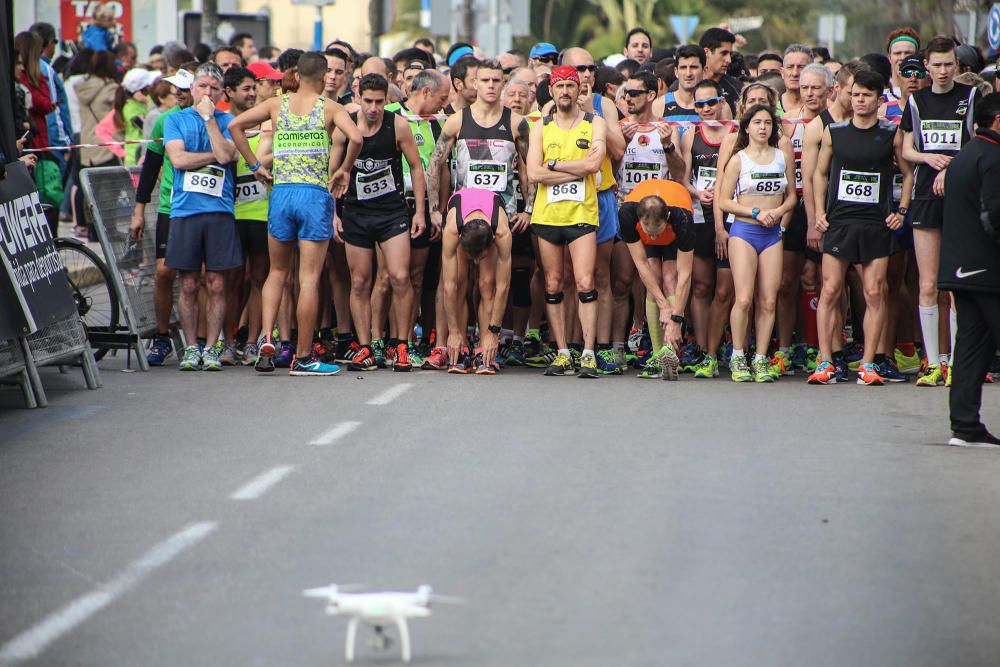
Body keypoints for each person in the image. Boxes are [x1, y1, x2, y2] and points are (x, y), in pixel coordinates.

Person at [229, 51, 363, 376]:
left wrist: (254, 165)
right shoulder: (330, 107)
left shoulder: (277, 104)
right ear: (321, 77)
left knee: (277, 273)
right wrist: (344, 169)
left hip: (282, 194)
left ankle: (266, 337)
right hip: (314, 195)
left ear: (297, 74)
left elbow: (235, 125)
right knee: (308, 279)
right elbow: (356, 137)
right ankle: (303, 357)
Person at [808, 70, 910, 385]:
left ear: (880, 99)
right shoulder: (834, 132)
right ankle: (825, 362)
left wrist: (902, 211)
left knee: (875, 292)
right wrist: (820, 213)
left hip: (874, 224)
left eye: (866, 95)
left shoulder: (891, 133)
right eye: (855, 95)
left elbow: (908, 174)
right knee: (830, 290)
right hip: (840, 222)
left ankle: (868, 364)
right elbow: (818, 174)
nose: (859, 100)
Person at [900, 36, 983, 387]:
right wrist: (927, 158)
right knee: (929, 282)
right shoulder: (916, 100)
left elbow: (979, 141)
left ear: (957, 65)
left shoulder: (971, 97)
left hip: (961, 196)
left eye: (949, 64)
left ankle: (957, 362)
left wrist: (951, 169)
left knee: (957, 282)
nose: (943, 71)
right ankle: (934, 363)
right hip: (925, 196)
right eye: (937, 65)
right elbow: (906, 147)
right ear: (927, 67)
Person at [331, 73, 426, 372]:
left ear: (387, 100)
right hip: (356, 212)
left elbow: (416, 167)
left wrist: (420, 211)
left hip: (392, 213)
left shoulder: (397, 125)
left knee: (400, 277)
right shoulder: (344, 128)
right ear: (357, 97)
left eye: (379, 102)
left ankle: (400, 344)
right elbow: (331, 173)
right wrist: (332, 213)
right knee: (359, 282)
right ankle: (367, 346)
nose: (373, 108)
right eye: (368, 101)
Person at [525, 65, 607, 378]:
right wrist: (578, 168)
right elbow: (534, 173)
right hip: (547, 215)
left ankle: (587, 352)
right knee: (553, 283)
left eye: (570, 87)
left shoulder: (593, 122)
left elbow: (595, 163)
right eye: (559, 87)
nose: (564, 92)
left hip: (581, 213)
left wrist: (555, 165)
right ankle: (561, 353)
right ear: (551, 91)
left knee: (585, 282)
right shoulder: (541, 127)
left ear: (578, 90)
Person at [162, 63, 241, 371]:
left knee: (217, 283)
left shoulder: (229, 120)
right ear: (191, 88)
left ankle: (211, 347)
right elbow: (178, 159)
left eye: (213, 88)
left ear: (222, 93)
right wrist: (213, 155)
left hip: (219, 211)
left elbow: (227, 156)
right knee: (190, 283)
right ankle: (191, 347)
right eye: (202, 86)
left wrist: (210, 120)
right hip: (185, 210)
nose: (207, 92)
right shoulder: (175, 120)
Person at [717, 104, 797, 382]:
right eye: (757, 123)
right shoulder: (739, 159)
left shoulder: (781, 157)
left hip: (772, 234)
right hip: (744, 232)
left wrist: (778, 213)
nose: (763, 128)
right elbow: (723, 200)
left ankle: (761, 358)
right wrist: (754, 212)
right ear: (747, 127)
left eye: (768, 123)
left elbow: (792, 197)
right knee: (744, 298)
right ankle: (739, 355)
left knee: (769, 299)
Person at [939, 93, 1000, 446]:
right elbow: (995, 215)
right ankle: (964, 424)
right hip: (987, 270)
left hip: (961, 268)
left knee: (971, 347)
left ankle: (964, 426)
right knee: (973, 346)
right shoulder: (993, 157)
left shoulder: (965, 155)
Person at [131, 67, 194, 366]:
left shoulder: (215, 121)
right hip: (171, 207)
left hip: (205, 207)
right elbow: (150, 166)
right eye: (175, 88)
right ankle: (161, 336)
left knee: (202, 278)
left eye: (184, 87)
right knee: (164, 272)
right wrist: (139, 209)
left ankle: (204, 342)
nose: (179, 93)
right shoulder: (165, 122)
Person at [618, 179, 696, 380]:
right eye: (648, 231)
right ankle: (656, 354)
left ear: (667, 218)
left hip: (674, 232)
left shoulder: (682, 218)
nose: (653, 237)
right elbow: (641, 264)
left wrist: (676, 318)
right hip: (646, 227)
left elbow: (685, 275)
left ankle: (670, 351)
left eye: (657, 231)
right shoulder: (627, 214)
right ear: (639, 220)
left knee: (670, 278)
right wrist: (663, 306)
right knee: (653, 275)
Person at [681, 79, 730, 376]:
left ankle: (722, 343)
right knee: (701, 286)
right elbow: (683, 178)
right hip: (700, 214)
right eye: (699, 105)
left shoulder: (736, 132)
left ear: (722, 101)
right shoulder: (690, 135)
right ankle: (702, 349)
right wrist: (698, 193)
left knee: (726, 289)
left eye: (711, 102)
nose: (706, 109)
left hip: (730, 217)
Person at [441, 189, 513, 373]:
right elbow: (449, 286)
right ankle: (461, 347)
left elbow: (503, 287)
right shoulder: (451, 229)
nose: (475, 262)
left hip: (490, 214)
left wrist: (493, 333)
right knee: (460, 283)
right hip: (462, 214)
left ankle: (484, 349)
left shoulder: (502, 231)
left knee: (487, 284)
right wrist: (453, 331)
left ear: (493, 241)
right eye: (472, 257)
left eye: (479, 258)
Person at [699, 27, 742, 112]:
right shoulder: (685, 87)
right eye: (724, 53)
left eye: (730, 54)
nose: (729, 60)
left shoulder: (738, 89)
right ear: (706, 52)